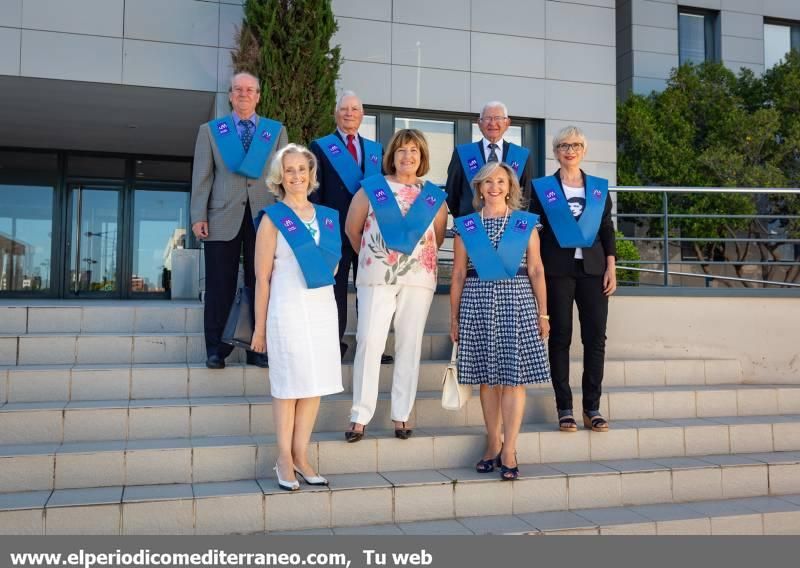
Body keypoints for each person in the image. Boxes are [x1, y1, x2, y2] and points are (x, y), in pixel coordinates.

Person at [344, 129, 448, 442]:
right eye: (402, 150)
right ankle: (359, 415)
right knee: (369, 342)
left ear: (422, 156)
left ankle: (401, 414)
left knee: (409, 344)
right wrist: (378, 259)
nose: (407, 156)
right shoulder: (372, 189)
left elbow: (438, 237)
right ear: (392, 155)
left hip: (418, 279)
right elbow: (353, 230)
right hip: (377, 276)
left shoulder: (433, 196)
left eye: (414, 151)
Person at [250, 144, 343, 490]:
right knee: (289, 385)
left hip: (320, 308)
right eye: (289, 170)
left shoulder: (327, 217)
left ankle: (301, 455)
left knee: (314, 383)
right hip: (286, 308)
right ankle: (284, 459)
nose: (296, 176)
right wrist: (259, 328)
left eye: (302, 169)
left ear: (311, 174)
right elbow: (262, 278)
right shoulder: (273, 219)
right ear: (279, 177)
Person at [450, 162, 550, 481]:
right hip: (477, 303)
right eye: (488, 181)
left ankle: (510, 449)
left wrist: (543, 313)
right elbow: (457, 274)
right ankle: (493, 442)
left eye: (501, 181)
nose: (495, 186)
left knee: (513, 378)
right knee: (486, 379)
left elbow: (536, 269)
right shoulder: (467, 226)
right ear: (479, 188)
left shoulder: (525, 224)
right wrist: (453, 318)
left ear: (511, 187)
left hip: (517, 303)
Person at [190, 71, 287, 370]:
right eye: (238, 89)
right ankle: (216, 349)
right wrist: (198, 216)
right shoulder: (211, 131)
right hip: (221, 216)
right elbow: (202, 177)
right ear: (230, 95)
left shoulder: (275, 131)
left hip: (264, 216)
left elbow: (282, 177)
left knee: (260, 281)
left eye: (250, 90)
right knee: (220, 284)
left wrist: (285, 216)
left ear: (259, 96)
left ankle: (256, 347)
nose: (244, 94)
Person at [530, 126, 616, 433]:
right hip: (557, 270)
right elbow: (534, 232)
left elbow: (606, 228)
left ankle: (592, 407)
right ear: (555, 151)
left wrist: (611, 265)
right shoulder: (542, 188)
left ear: (584, 150)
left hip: (594, 270)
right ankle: (564, 407)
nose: (570, 150)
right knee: (560, 337)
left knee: (595, 339)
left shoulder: (597, 188)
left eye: (576, 145)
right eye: (564, 145)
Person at [309, 91, 393, 364]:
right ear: (336, 113)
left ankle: (372, 346)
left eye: (354, 109)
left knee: (370, 290)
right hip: (334, 231)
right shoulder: (321, 147)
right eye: (344, 109)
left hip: (368, 233)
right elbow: (315, 192)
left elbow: (381, 192)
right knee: (335, 291)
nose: (349, 113)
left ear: (362, 114)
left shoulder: (375, 150)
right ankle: (333, 344)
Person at [445, 101, 532, 218]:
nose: (492, 123)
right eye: (487, 118)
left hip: (509, 229)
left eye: (498, 118)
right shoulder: (462, 153)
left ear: (507, 123)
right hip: (471, 227)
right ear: (479, 123)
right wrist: (465, 218)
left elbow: (525, 196)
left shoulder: (521, 155)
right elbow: (452, 193)